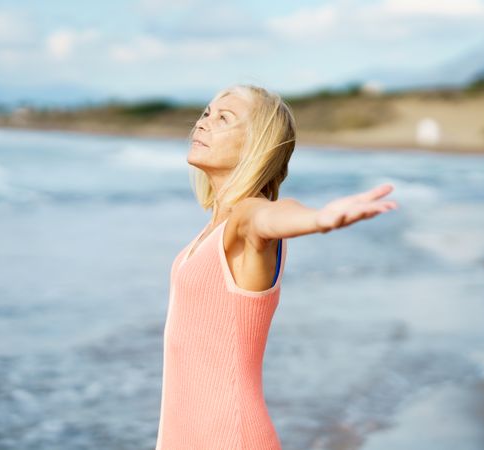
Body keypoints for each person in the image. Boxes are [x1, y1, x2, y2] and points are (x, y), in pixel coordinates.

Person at [155, 84, 398, 449]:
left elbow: (270, 217)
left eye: (225, 118)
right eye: (207, 113)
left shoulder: (246, 217)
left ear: (257, 146)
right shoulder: (213, 230)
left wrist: (320, 218)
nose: (203, 123)